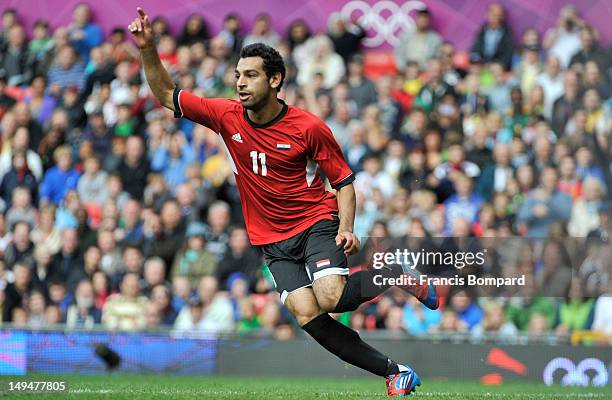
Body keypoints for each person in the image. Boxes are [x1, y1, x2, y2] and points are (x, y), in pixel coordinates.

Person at [129, 7, 439, 397]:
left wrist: (346, 228)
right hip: (270, 241)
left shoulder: (308, 128)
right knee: (306, 312)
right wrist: (148, 49)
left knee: (331, 298)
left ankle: (393, 273)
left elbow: (343, 182)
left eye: (251, 75)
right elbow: (165, 95)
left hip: (315, 223)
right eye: (238, 75)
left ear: (275, 80)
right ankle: (396, 373)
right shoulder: (226, 115)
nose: (240, 83)